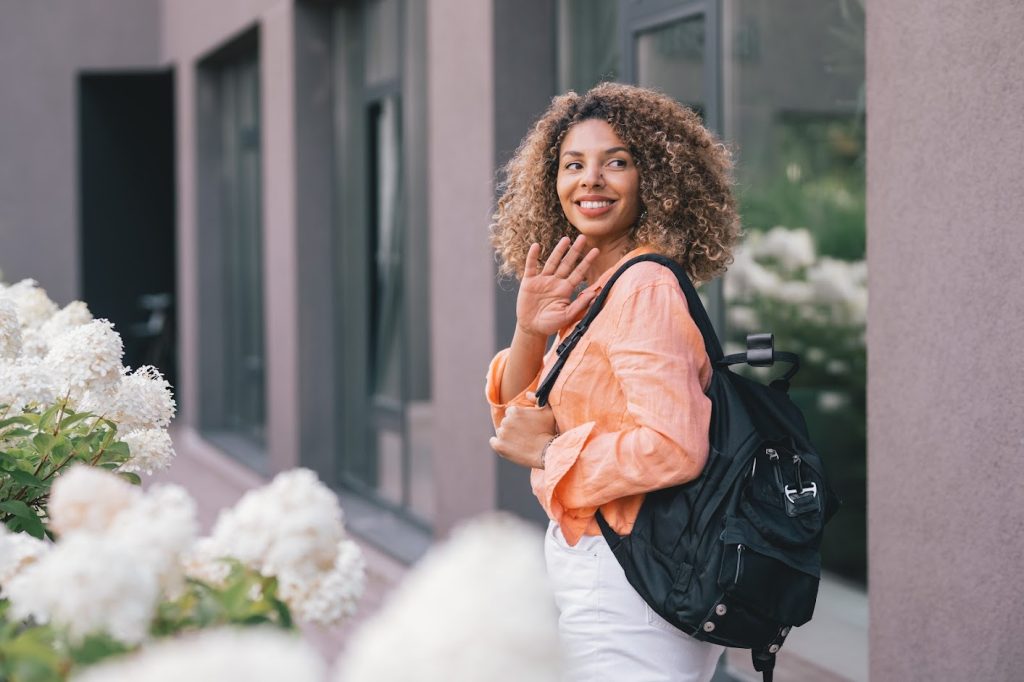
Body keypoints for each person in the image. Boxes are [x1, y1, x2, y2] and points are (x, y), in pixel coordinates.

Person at [485, 82, 741, 681]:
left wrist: (551, 453)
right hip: (617, 564)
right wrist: (528, 331)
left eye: (616, 163)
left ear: (655, 179)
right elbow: (518, 421)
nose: (590, 180)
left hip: (628, 569)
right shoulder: (606, 288)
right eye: (574, 165)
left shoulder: (643, 287)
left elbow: (674, 446)